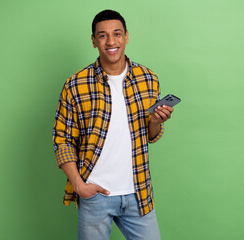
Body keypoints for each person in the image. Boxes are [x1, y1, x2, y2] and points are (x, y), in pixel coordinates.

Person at [52, 9, 173, 240]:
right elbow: (62, 139)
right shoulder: (76, 85)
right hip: (94, 195)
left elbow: (150, 134)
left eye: (116, 34)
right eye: (102, 35)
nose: (111, 41)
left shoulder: (148, 78)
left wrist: (156, 122)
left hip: (138, 192)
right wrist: (79, 185)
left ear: (126, 36)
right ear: (94, 41)